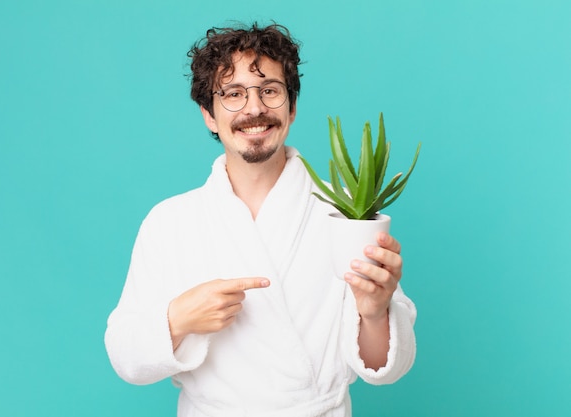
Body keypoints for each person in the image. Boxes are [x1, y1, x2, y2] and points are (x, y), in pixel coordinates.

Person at [105, 22, 416, 416]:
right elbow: (125, 356)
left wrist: (375, 313)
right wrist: (178, 320)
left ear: (292, 107)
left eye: (269, 91)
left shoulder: (349, 212)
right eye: (233, 94)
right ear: (209, 115)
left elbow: (386, 370)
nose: (254, 108)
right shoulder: (170, 221)